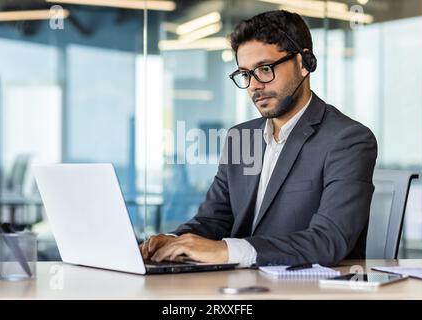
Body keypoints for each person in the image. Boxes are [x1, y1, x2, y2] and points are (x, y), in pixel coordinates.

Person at [141, 10, 377, 267]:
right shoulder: (241, 137)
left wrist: (227, 251)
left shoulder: (347, 139)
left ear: (304, 63)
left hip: (308, 289)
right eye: (245, 74)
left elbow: (328, 240)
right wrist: (174, 240)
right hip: (240, 287)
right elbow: (214, 220)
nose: (254, 85)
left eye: (265, 69)